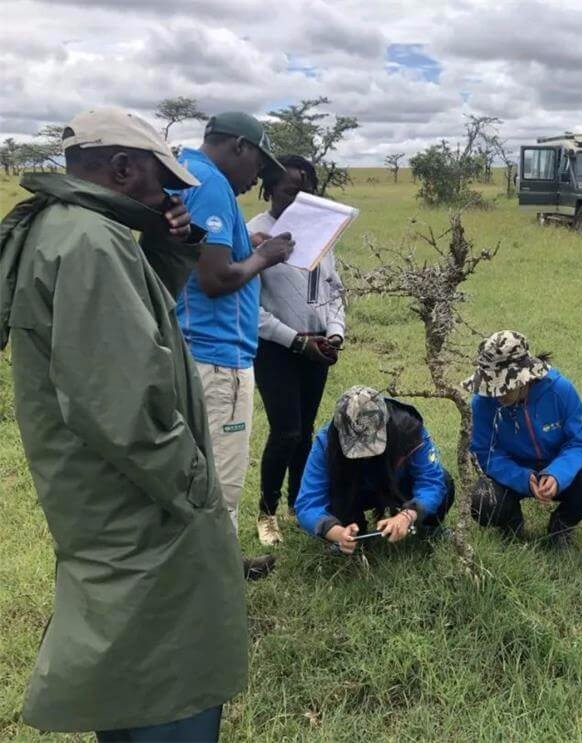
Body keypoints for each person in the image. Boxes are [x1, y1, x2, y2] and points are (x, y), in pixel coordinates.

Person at [0, 107, 247, 740]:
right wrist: (197, 492)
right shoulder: (90, 243)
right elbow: (124, 406)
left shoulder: (66, 230)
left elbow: (136, 324)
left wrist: (167, 244)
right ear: (120, 167)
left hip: (103, 499)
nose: (169, 196)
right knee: (174, 666)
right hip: (141, 504)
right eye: (159, 182)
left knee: (130, 669)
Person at [174, 112, 295, 578]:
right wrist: (263, 257)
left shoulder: (188, 173)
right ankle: (214, 588)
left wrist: (249, 242)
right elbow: (216, 277)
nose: (256, 181)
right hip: (217, 358)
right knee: (221, 481)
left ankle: (212, 563)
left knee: (195, 472)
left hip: (197, 350)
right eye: (259, 168)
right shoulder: (210, 183)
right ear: (239, 147)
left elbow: (210, 255)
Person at [248, 155, 346, 546]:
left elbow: (333, 289)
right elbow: (250, 309)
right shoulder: (253, 233)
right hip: (276, 349)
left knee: (305, 431)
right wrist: (297, 341)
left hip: (318, 347)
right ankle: (266, 512)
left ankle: (297, 504)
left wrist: (335, 333)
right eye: (290, 191)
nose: (299, 200)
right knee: (285, 431)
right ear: (269, 188)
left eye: (307, 191)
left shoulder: (321, 234)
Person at [467, 330, 582, 547]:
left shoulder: (559, 389)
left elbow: (580, 440)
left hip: (556, 461)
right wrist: (521, 478)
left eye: (504, 388)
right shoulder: (481, 403)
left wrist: (558, 474)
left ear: (524, 378)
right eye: (491, 387)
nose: (496, 394)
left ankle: (561, 525)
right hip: (512, 467)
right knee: (482, 498)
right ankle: (512, 524)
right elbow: (484, 453)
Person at [294, 386, 455, 553]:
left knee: (444, 481)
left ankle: (429, 529)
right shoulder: (326, 443)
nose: (365, 456)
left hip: (398, 484)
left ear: (386, 425)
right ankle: (351, 534)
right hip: (352, 489)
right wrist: (336, 532)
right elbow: (308, 503)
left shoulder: (409, 430)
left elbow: (431, 481)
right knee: (331, 515)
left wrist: (408, 515)